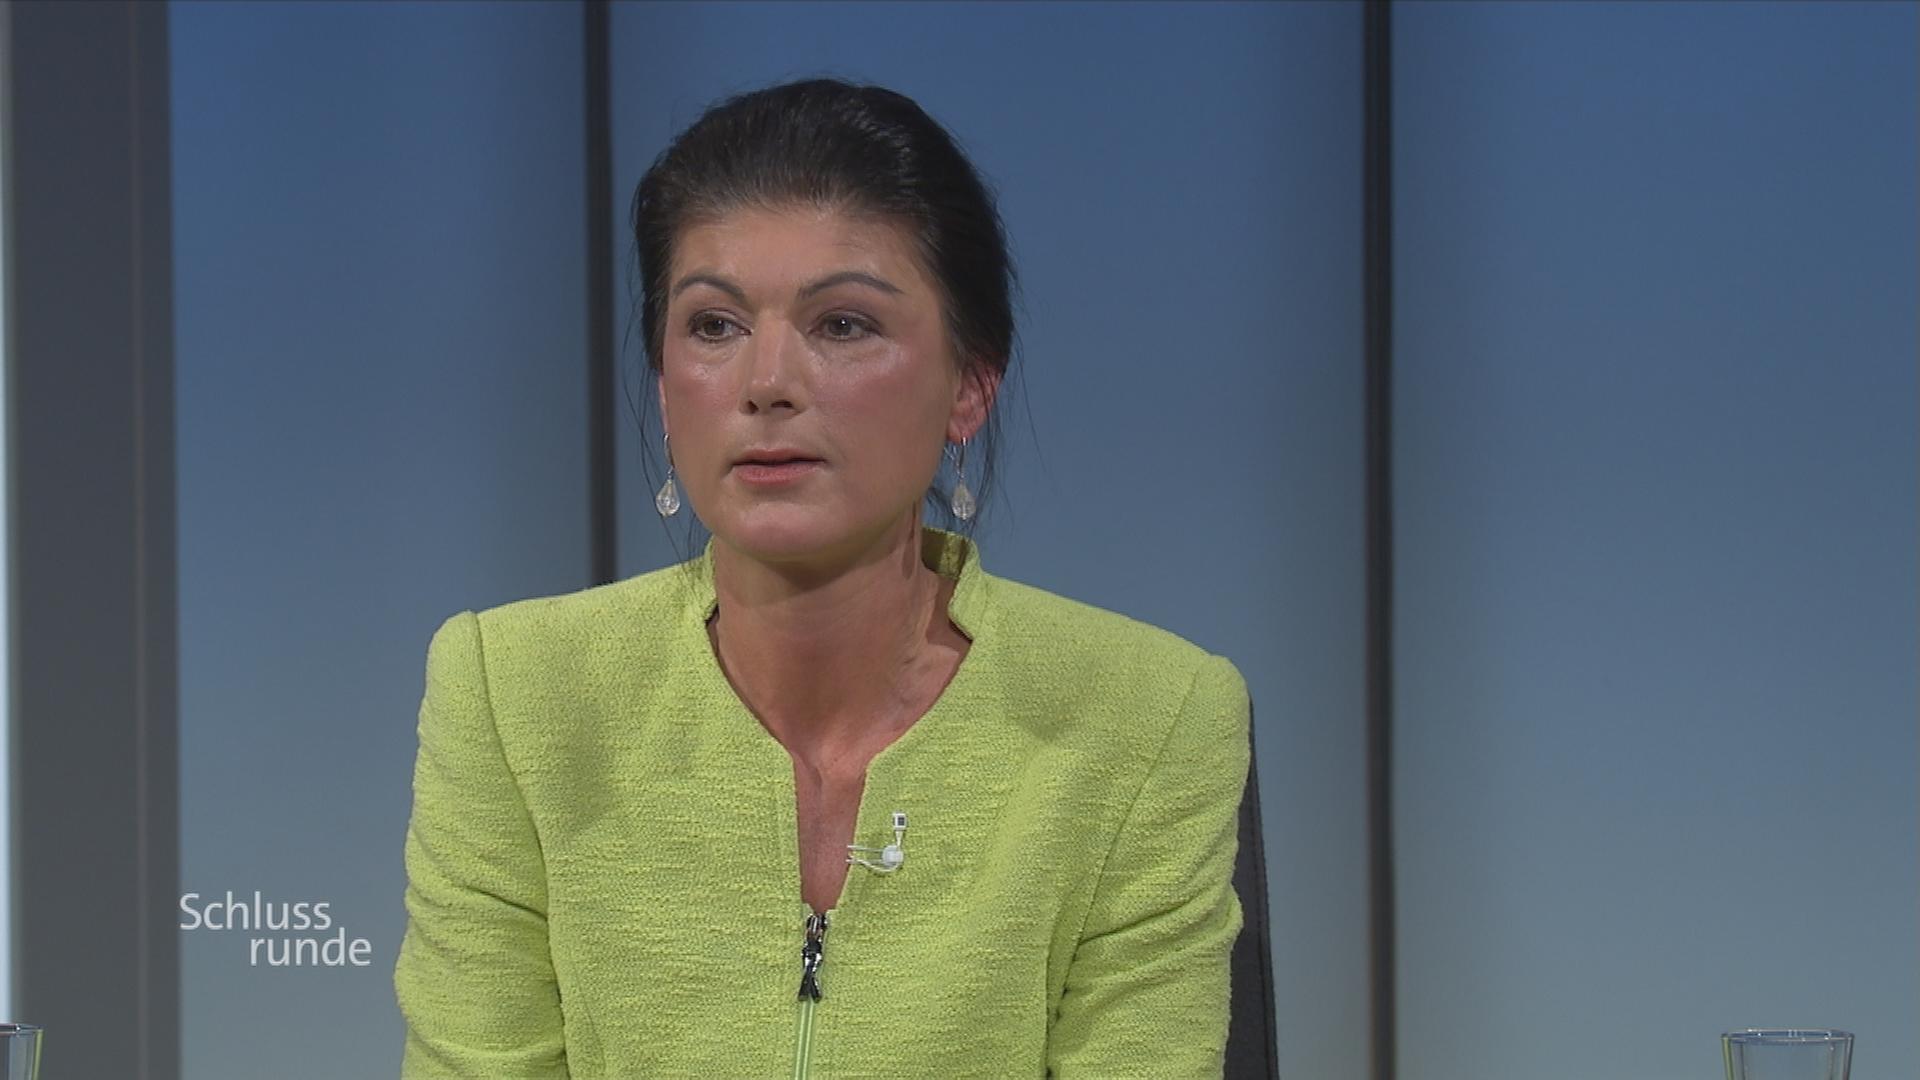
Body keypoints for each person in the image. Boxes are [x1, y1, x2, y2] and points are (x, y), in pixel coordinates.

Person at [393, 77, 1253, 1079]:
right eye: (713, 326)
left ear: (971, 383)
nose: (766, 383)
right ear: (665, 388)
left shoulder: (1148, 719)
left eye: (842, 325)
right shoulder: (514, 694)